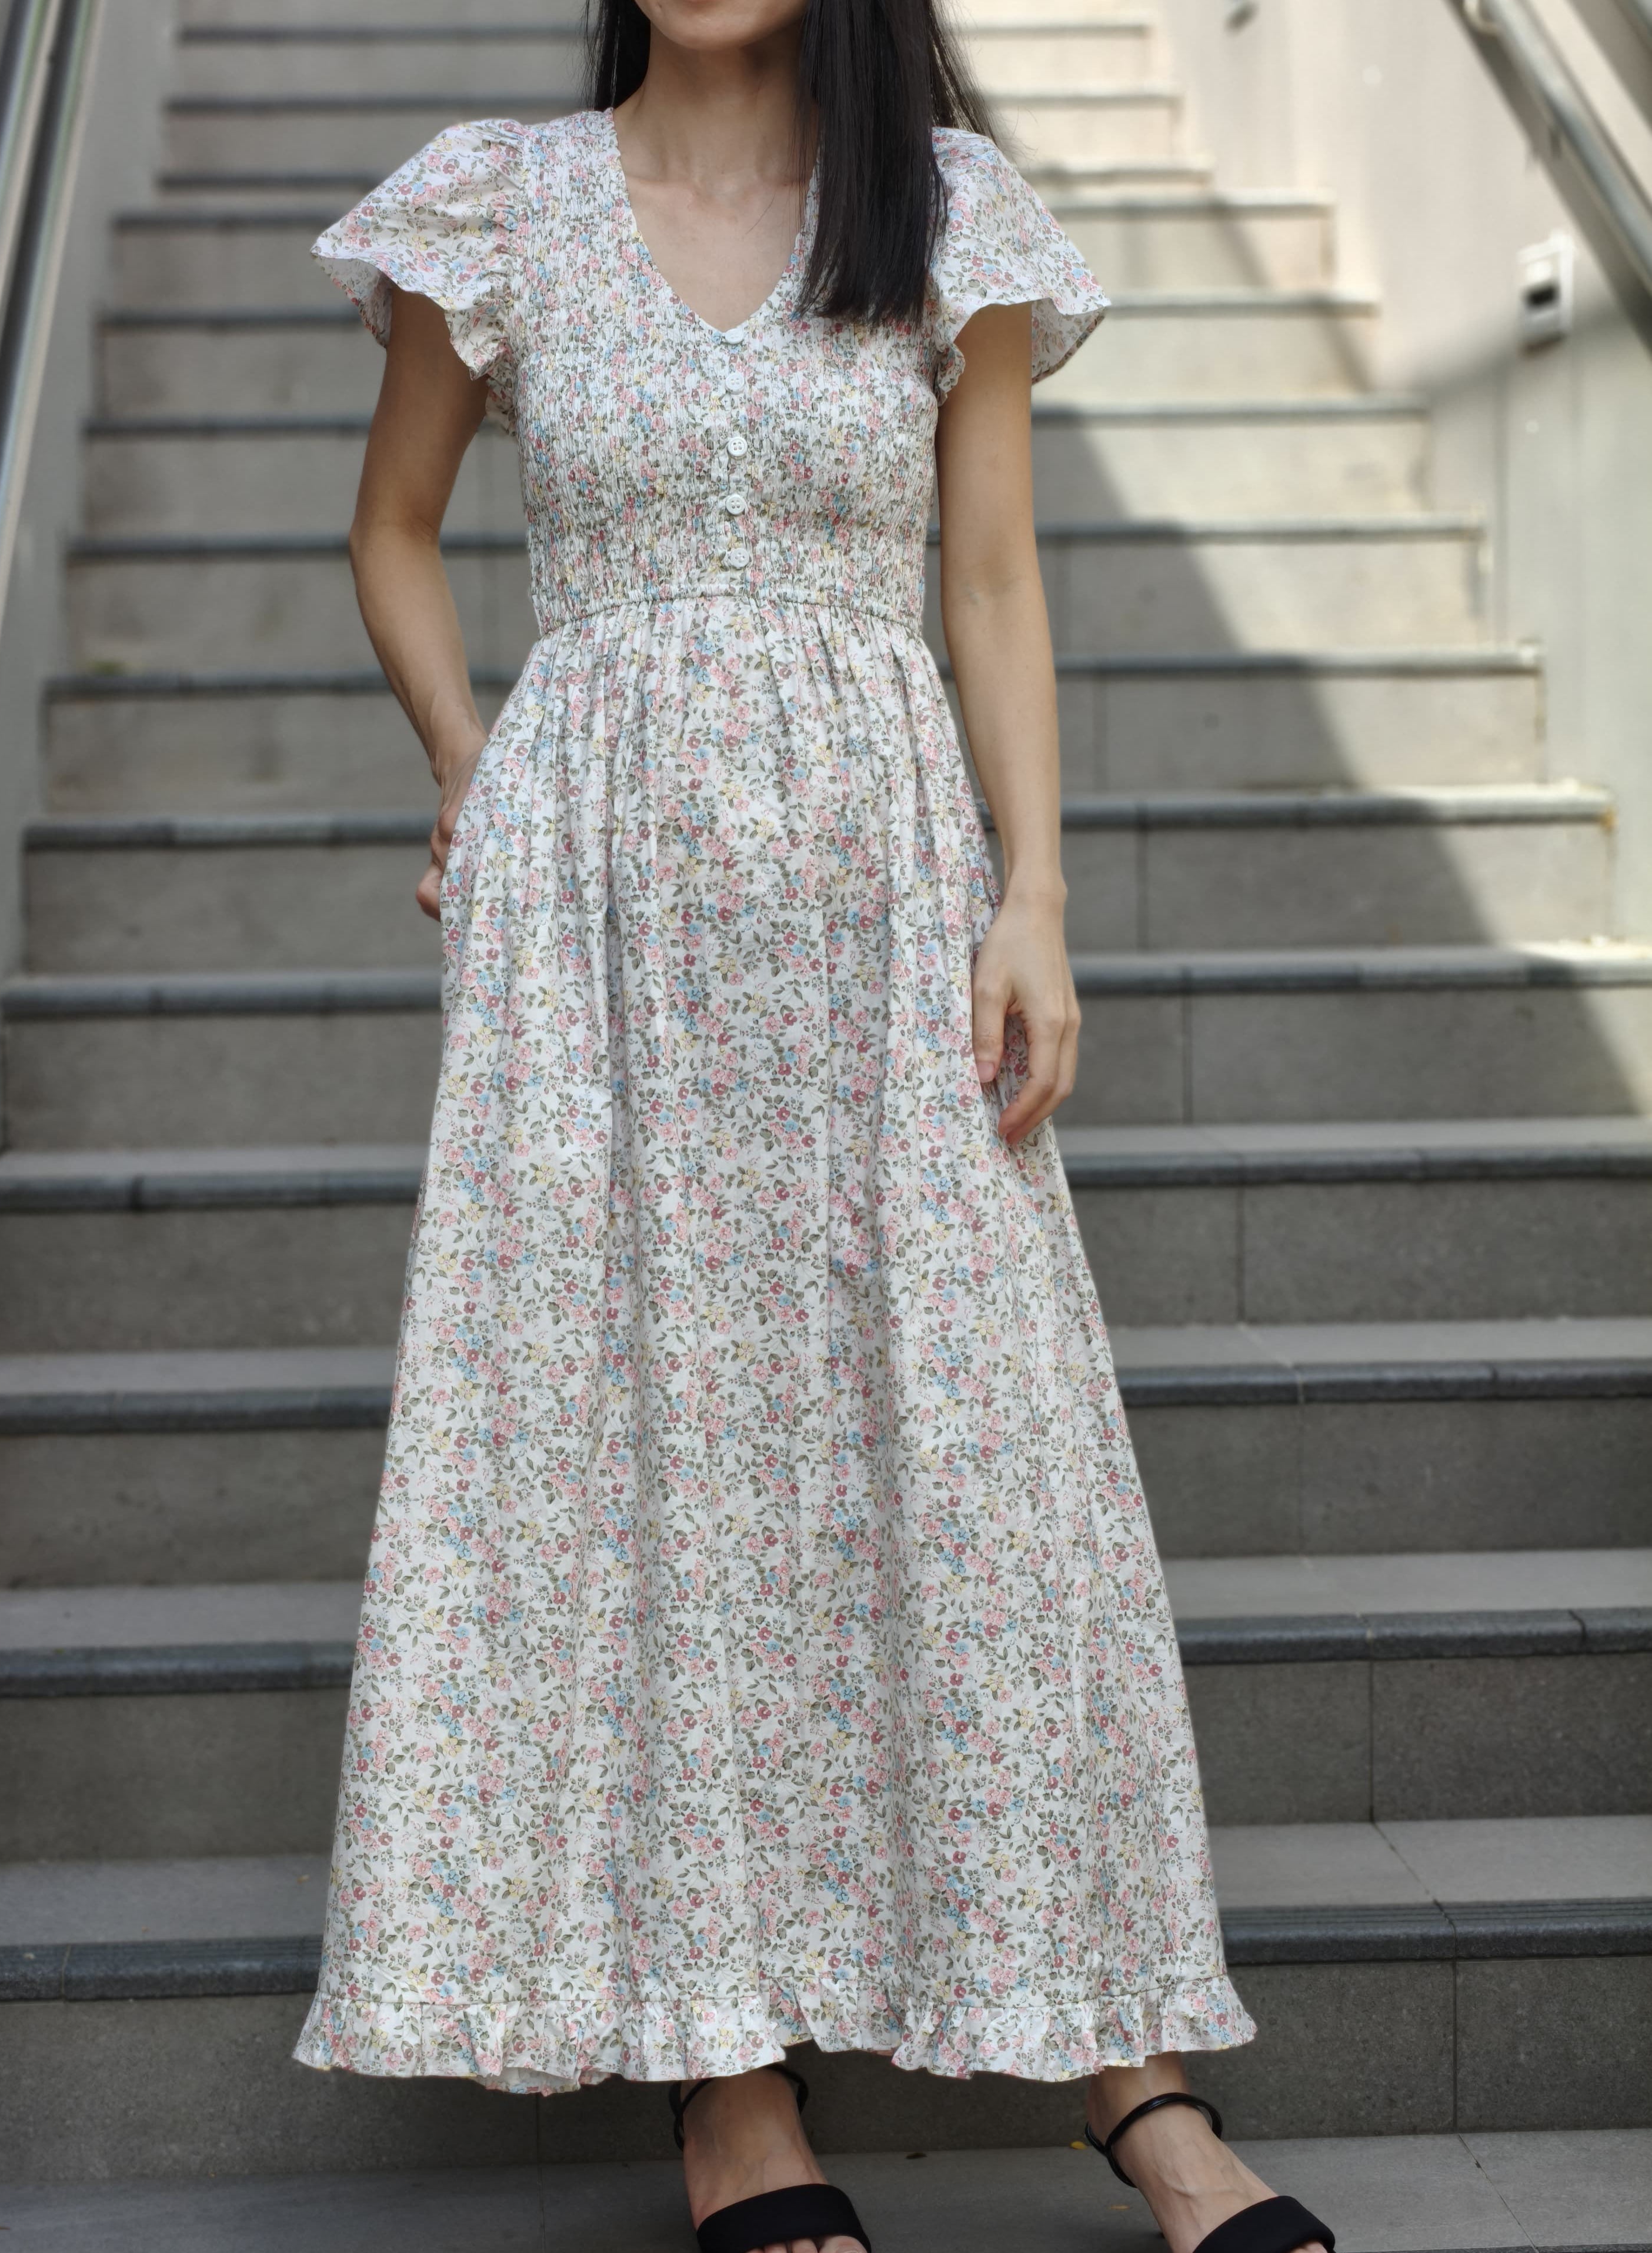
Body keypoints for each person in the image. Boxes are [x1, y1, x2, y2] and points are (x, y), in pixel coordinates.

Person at [298, 4, 1334, 2250]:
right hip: (602, 932)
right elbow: (391, 529)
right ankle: (732, 2092)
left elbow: (992, 578)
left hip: (884, 899)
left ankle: (1129, 2067)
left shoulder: (942, 212)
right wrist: (475, 767)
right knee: (645, 1459)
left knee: (984, 1458)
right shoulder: (499, 203)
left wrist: (1034, 897)